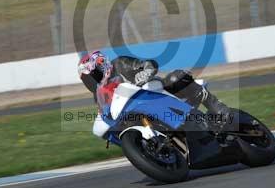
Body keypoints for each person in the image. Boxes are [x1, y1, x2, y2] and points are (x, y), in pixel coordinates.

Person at [77, 50, 231, 138]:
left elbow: (149, 64)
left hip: (153, 91)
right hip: (134, 113)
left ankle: (217, 108)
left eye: (93, 75)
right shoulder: (99, 95)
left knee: (176, 77)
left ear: (102, 65)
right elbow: (105, 112)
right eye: (87, 80)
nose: (91, 82)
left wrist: (145, 72)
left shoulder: (120, 63)